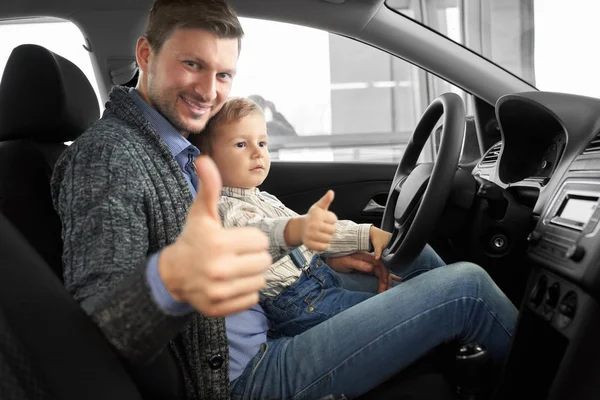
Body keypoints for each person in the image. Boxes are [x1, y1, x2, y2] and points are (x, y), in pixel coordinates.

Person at [50, 1, 518, 399]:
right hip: (248, 375)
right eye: (192, 64)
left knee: (411, 257)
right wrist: (172, 280)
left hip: (272, 317)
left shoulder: (175, 144)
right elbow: (100, 330)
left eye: (224, 74)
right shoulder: (109, 157)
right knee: (469, 289)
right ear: (146, 55)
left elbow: (250, 232)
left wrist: (322, 256)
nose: (209, 92)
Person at [190, 97, 406, 337]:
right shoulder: (225, 209)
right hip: (300, 303)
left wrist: (363, 235)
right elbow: (268, 235)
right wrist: (363, 234)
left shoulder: (264, 198)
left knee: (400, 292)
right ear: (206, 162)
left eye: (262, 143)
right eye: (241, 144)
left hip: (318, 280)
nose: (257, 153)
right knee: (397, 312)